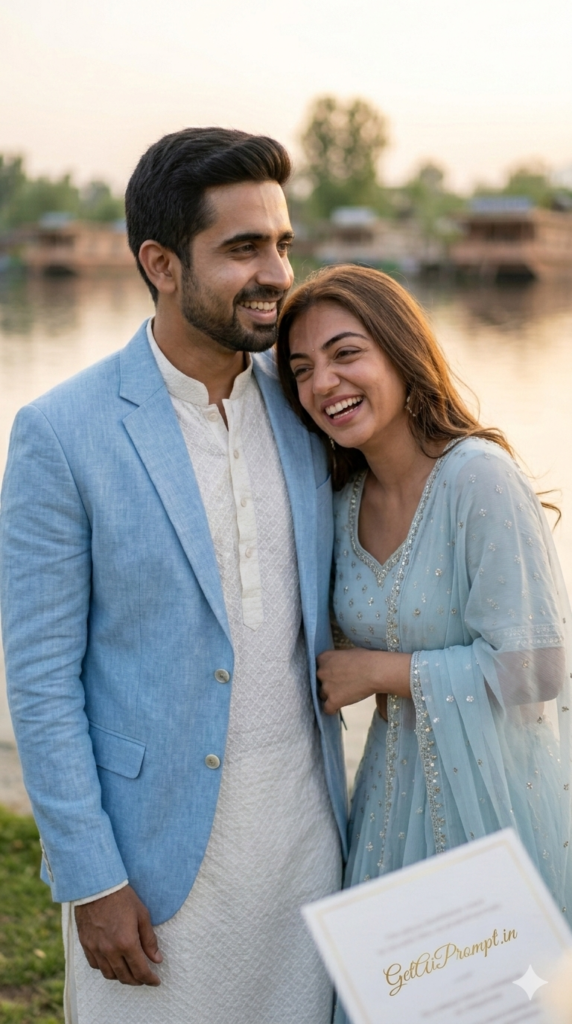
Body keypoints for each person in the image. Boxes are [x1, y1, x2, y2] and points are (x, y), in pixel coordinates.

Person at [0, 129, 347, 1024]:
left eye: (283, 244)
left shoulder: (309, 404)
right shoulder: (60, 433)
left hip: (309, 848)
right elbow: (40, 679)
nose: (276, 273)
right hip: (151, 865)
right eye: (243, 248)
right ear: (161, 263)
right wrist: (91, 878)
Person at [276, 264, 572, 1020]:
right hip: (390, 798)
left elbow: (537, 671)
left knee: (498, 1001)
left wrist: (381, 671)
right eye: (302, 369)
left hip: (497, 799)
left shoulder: (480, 479)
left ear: (402, 352)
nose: (323, 383)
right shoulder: (340, 504)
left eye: (346, 353)